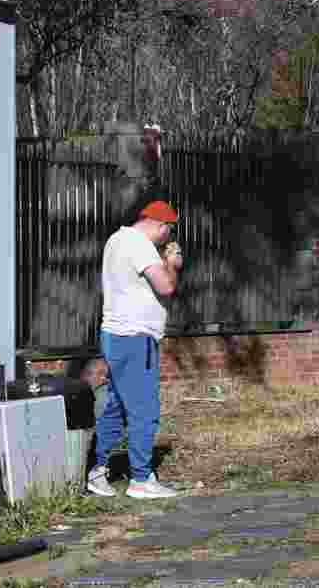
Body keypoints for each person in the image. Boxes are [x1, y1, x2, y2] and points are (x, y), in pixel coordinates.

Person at [87, 200, 183, 499]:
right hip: (135, 337)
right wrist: (173, 264)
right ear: (161, 226)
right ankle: (141, 479)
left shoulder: (116, 240)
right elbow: (166, 287)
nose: (167, 240)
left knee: (116, 407)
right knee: (144, 410)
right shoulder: (140, 245)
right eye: (168, 233)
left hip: (116, 335)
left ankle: (97, 471)